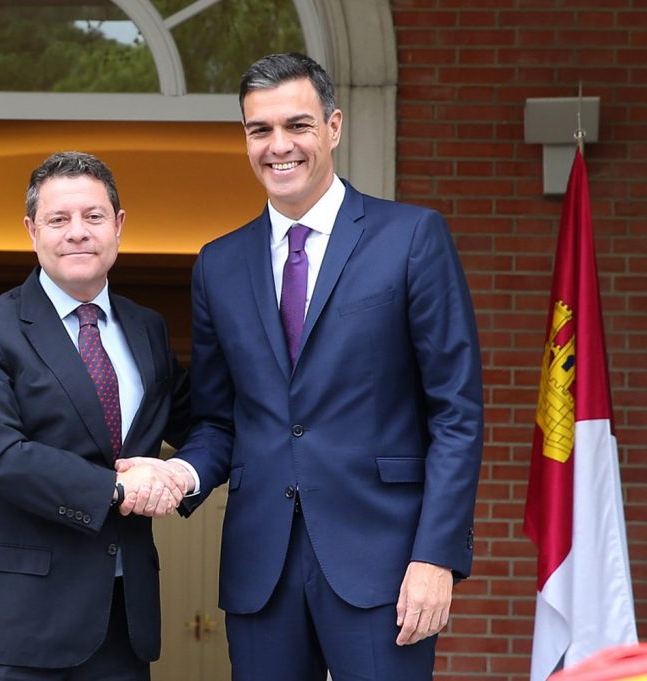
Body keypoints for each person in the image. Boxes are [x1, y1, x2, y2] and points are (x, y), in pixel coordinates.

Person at [120, 53, 483, 679]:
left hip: (386, 563)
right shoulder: (218, 264)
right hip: (261, 567)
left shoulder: (411, 237)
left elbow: (456, 413)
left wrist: (436, 556)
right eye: (260, 130)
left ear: (333, 127)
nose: (278, 146)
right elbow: (218, 420)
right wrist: (181, 471)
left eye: (298, 125)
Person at [0, 151, 190, 681]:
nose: (77, 232)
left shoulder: (149, 329)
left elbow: (199, 421)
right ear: (32, 231)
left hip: (119, 625)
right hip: (8, 630)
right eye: (59, 219)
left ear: (119, 225)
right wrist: (117, 489)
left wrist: (185, 473)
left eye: (93, 216)